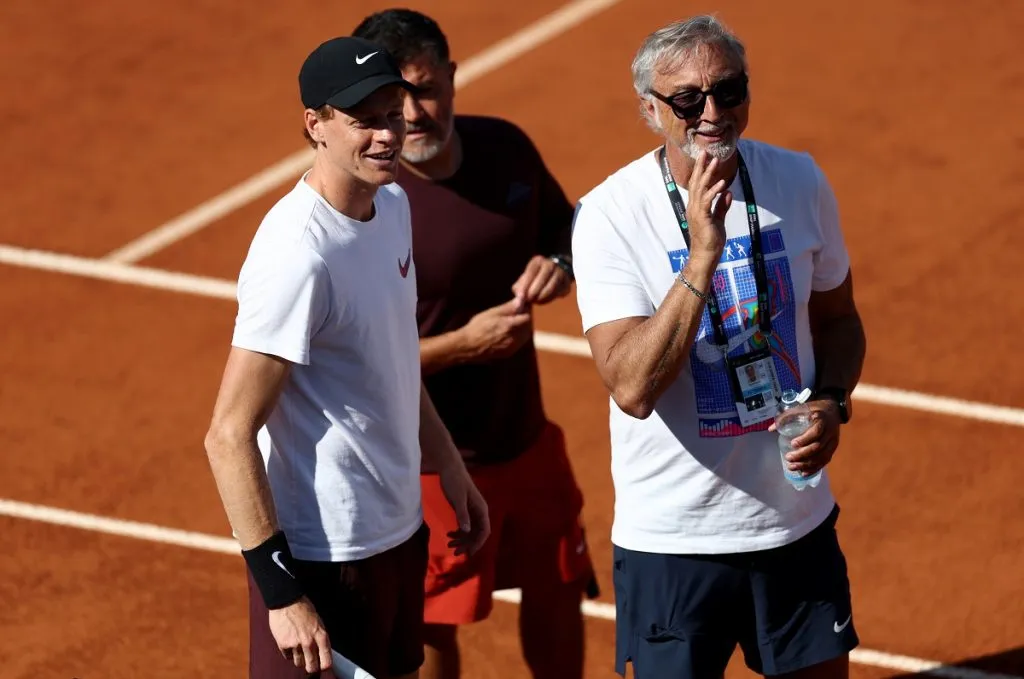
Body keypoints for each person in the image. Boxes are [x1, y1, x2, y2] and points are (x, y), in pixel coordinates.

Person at [570, 14, 867, 679]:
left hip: (794, 524)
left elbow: (841, 320)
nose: (712, 112)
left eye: (728, 90)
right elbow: (631, 388)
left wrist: (832, 400)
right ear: (650, 109)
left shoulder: (799, 180)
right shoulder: (609, 216)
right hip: (674, 540)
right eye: (687, 100)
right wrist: (702, 257)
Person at [203, 35, 489, 679]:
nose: (387, 135)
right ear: (316, 125)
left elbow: (391, 360)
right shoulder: (297, 256)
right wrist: (281, 593)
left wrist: (446, 463)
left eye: (393, 114)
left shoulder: (392, 205)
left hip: (397, 530)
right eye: (364, 121)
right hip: (324, 557)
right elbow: (227, 434)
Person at [350, 9, 598, 679]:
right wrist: (462, 345)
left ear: (453, 77)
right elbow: (357, 365)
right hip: (427, 462)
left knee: (558, 585)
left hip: (525, 437)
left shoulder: (505, 148)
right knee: (433, 620)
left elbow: (568, 229)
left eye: (426, 90)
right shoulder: (365, 205)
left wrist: (561, 262)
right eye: (392, 100)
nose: (413, 114)